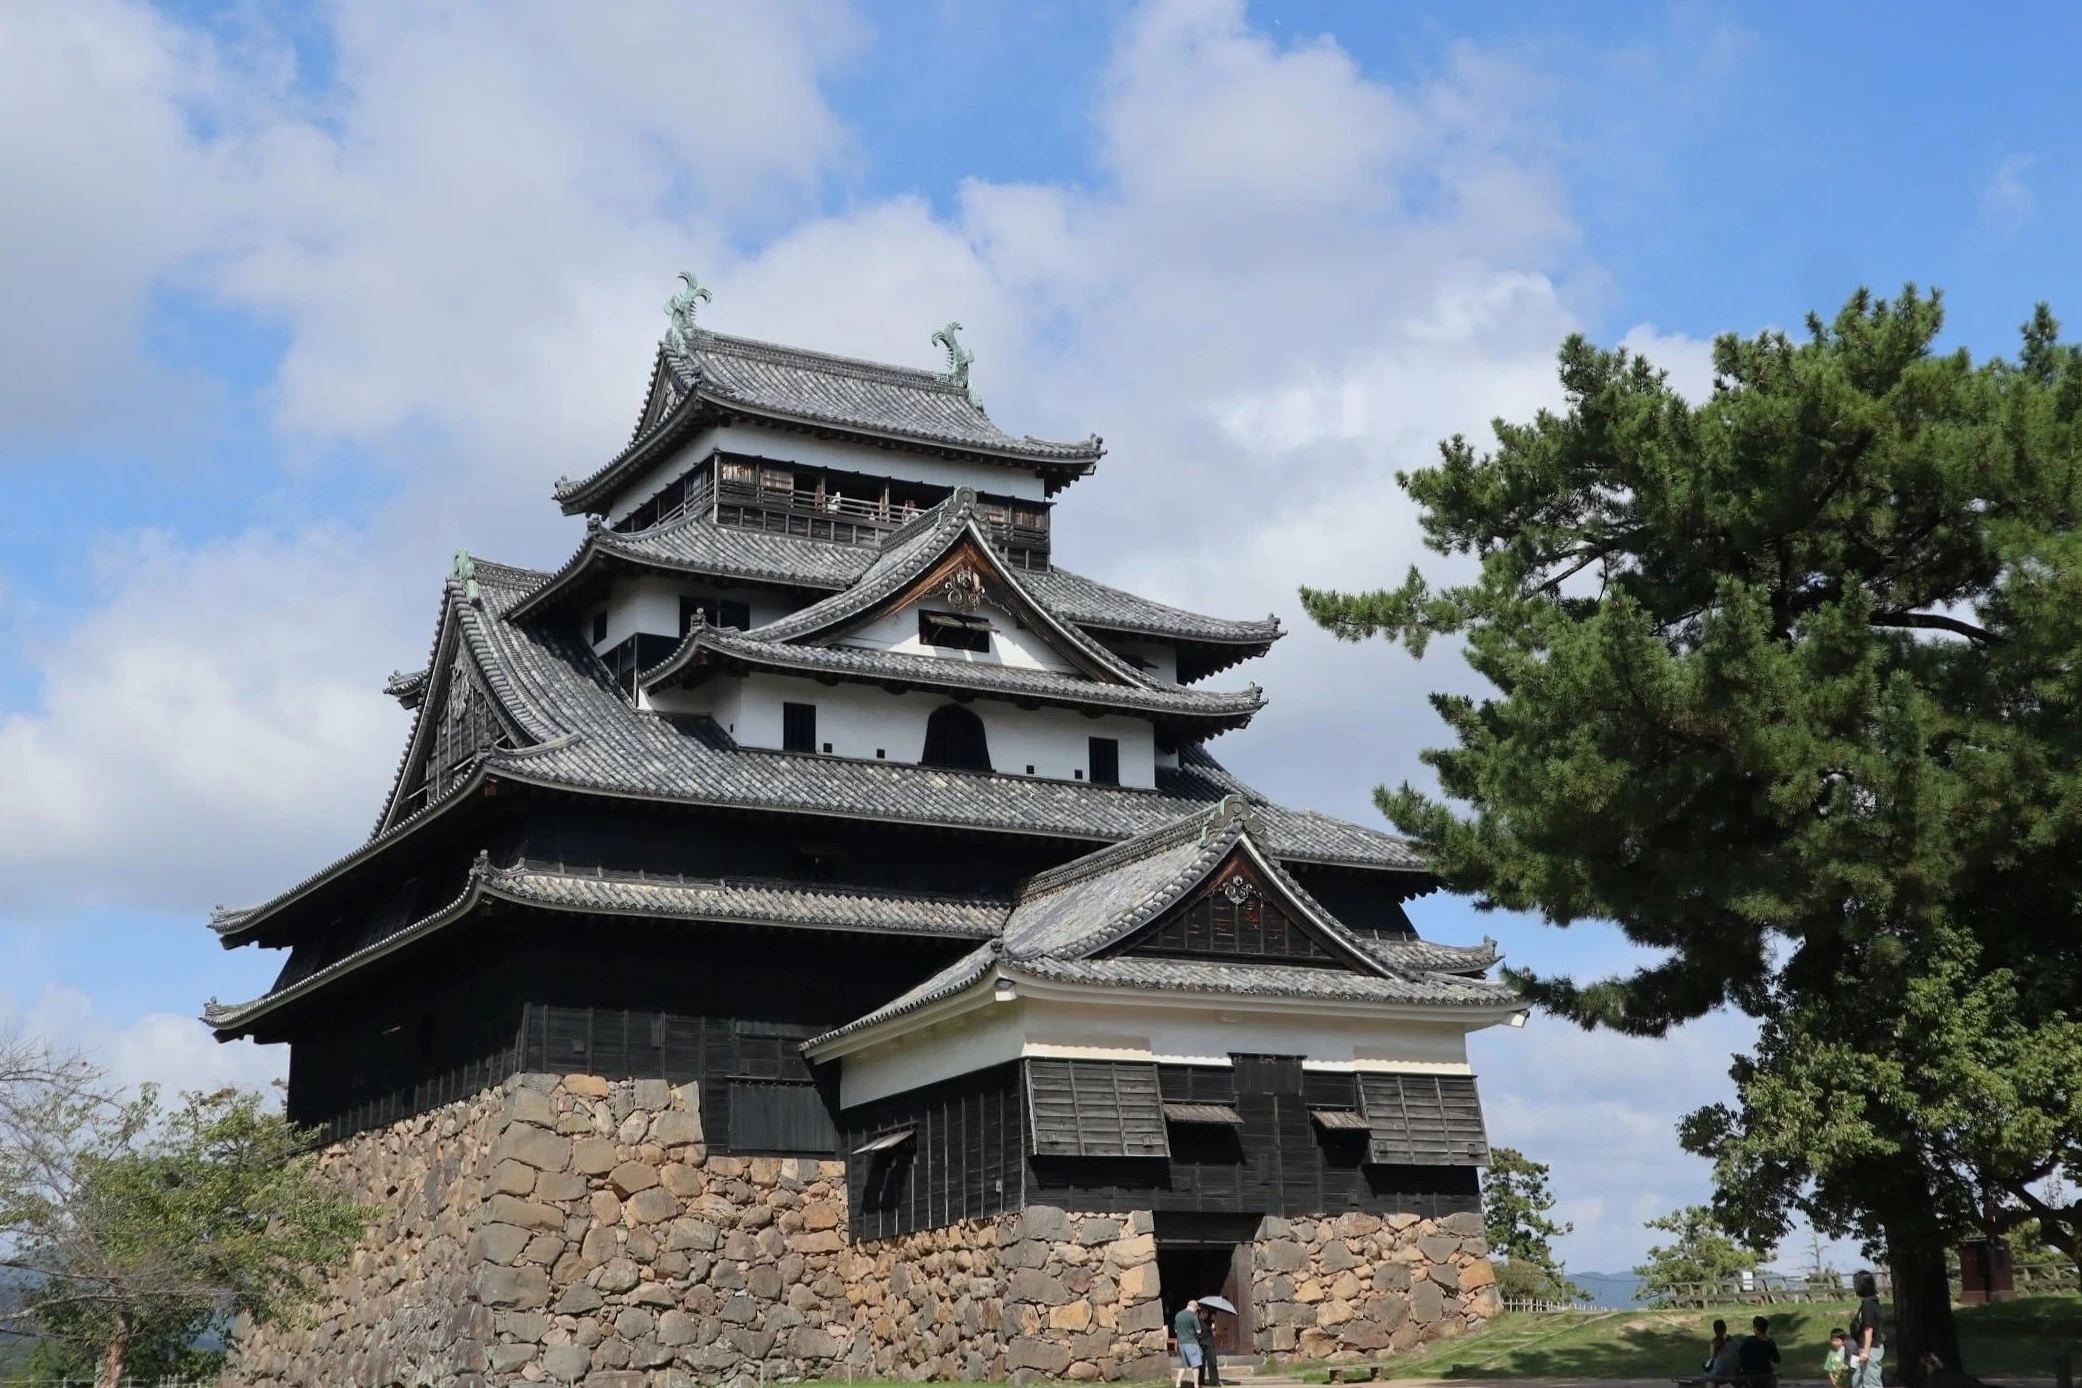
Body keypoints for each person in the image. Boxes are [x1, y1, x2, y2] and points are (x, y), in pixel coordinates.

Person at [1848, 1271, 1886, 1388]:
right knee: (1857, 1380)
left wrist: (1866, 1351)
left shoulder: (1869, 1304)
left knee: (1871, 1382)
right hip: (1862, 1347)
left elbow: (1868, 1329)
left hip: (1870, 1349)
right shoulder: (1868, 1302)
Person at [1737, 1315, 1781, 1387]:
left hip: (1750, 1375)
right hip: (1766, 1373)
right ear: (1766, 1329)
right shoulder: (1770, 1343)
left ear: (1756, 1329)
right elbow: (1777, 1360)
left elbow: (1740, 1356)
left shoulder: (1748, 1341)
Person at [1172, 1299, 1203, 1388]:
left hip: (1181, 1343)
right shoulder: (1193, 1316)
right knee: (1195, 1365)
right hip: (1191, 1342)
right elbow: (1198, 1331)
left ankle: (1178, 1384)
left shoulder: (1178, 1315)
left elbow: (1176, 1329)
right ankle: (1196, 1385)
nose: (1197, 1311)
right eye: (1196, 1309)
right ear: (1194, 1307)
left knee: (1184, 1365)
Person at [1198, 1302, 1222, 1387]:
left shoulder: (1210, 1322)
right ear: (1200, 1313)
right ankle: (1200, 1381)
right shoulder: (1197, 1321)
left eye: (1206, 1313)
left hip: (1209, 1342)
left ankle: (1214, 1381)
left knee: (1212, 1361)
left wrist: (1213, 1328)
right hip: (1200, 1343)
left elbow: (1214, 1334)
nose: (1205, 1314)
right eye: (1203, 1312)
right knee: (1201, 1363)